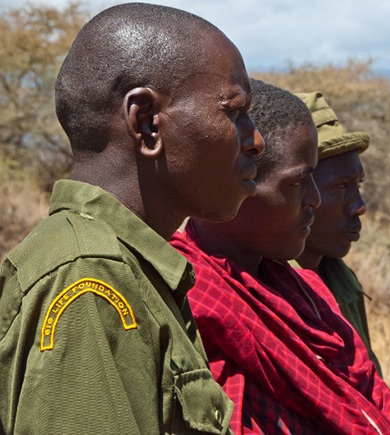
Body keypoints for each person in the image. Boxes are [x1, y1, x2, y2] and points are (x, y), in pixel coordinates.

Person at [0, 3, 264, 434]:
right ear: (147, 123)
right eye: (233, 111)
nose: (255, 141)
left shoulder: (127, 267)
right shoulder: (90, 282)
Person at [171, 79, 390, 435]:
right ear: (236, 182)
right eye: (298, 182)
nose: (312, 199)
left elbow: (372, 406)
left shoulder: (311, 291)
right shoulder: (187, 298)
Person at [291, 92, 381, 375]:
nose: (360, 207)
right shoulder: (259, 294)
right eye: (341, 187)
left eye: (358, 185)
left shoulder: (342, 284)